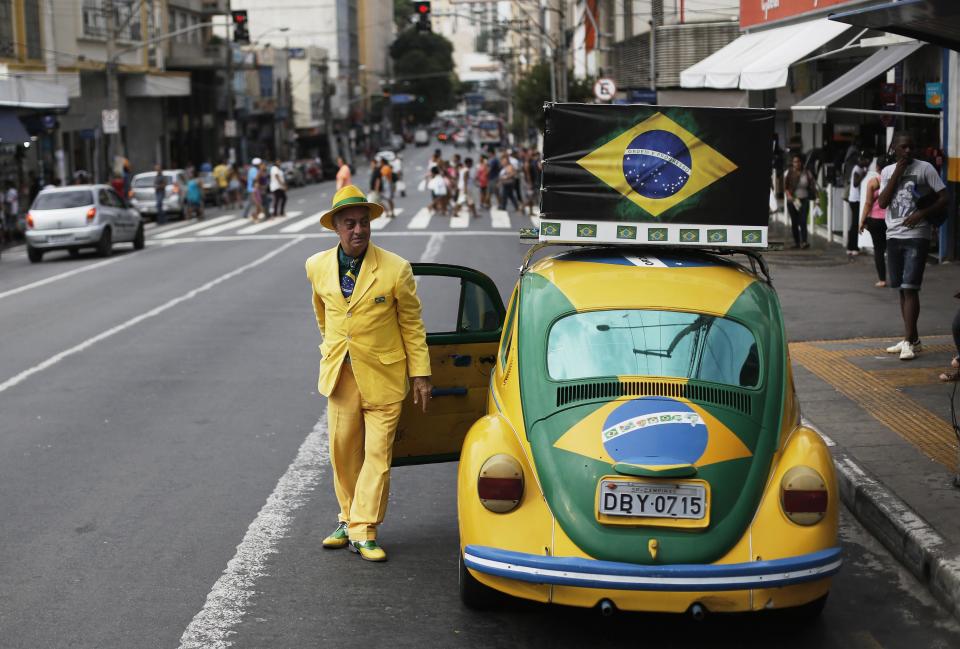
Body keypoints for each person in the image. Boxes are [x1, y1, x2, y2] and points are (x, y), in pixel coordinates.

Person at [305, 184, 432, 562]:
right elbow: (324, 315)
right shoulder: (316, 266)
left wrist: (420, 375)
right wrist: (333, 348)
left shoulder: (395, 269)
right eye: (350, 224)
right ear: (336, 228)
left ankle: (365, 529)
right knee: (343, 453)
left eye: (363, 223)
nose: (358, 230)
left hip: (386, 376)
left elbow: (412, 324)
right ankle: (347, 518)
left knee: (377, 455)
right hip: (341, 375)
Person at [877, 131, 948, 361]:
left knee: (911, 287)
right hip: (893, 234)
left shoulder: (925, 168)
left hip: (918, 234)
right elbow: (883, 202)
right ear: (894, 149)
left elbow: (945, 197)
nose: (908, 151)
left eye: (911, 147)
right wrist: (897, 172)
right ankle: (913, 339)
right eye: (904, 147)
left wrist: (922, 214)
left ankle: (908, 340)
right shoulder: (887, 171)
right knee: (901, 288)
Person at [858, 154, 888, 288]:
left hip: (875, 220)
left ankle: (882, 279)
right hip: (891, 221)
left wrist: (862, 221)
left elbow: (868, 204)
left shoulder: (874, 182)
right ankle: (900, 277)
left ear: (877, 168)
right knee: (893, 249)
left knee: (879, 250)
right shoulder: (895, 182)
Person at [783, 154, 816, 249]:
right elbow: (785, 187)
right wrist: (789, 195)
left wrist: (816, 197)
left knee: (803, 221)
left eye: (798, 161)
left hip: (804, 199)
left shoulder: (806, 173)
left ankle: (804, 241)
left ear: (801, 163)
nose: (796, 164)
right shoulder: (789, 173)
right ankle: (797, 242)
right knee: (794, 221)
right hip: (793, 200)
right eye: (794, 162)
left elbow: (812, 185)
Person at [846, 152, 868, 257]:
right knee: (855, 224)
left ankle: (851, 247)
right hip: (855, 200)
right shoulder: (857, 169)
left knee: (854, 224)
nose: (867, 162)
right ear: (860, 160)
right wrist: (863, 175)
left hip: (854, 200)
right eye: (865, 160)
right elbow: (855, 183)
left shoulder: (858, 168)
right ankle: (853, 247)